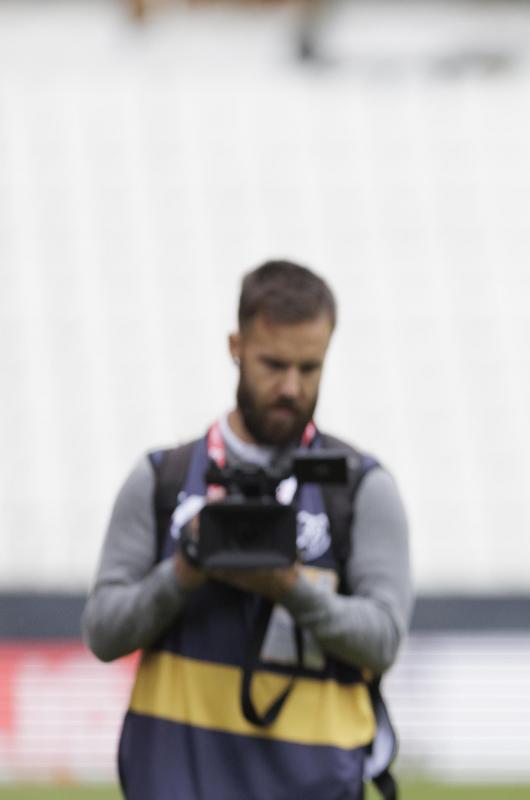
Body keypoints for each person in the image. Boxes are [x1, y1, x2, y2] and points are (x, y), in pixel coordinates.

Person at [82, 260, 413, 800]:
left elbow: (383, 642)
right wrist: (185, 571)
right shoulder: (163, 479)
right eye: (273, 364)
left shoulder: (357, 487)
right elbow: (102, 632)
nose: (290, 387)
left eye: (310, 369)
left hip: (315, 786)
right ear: (236, 346)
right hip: (177, 784)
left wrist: (288, 589)